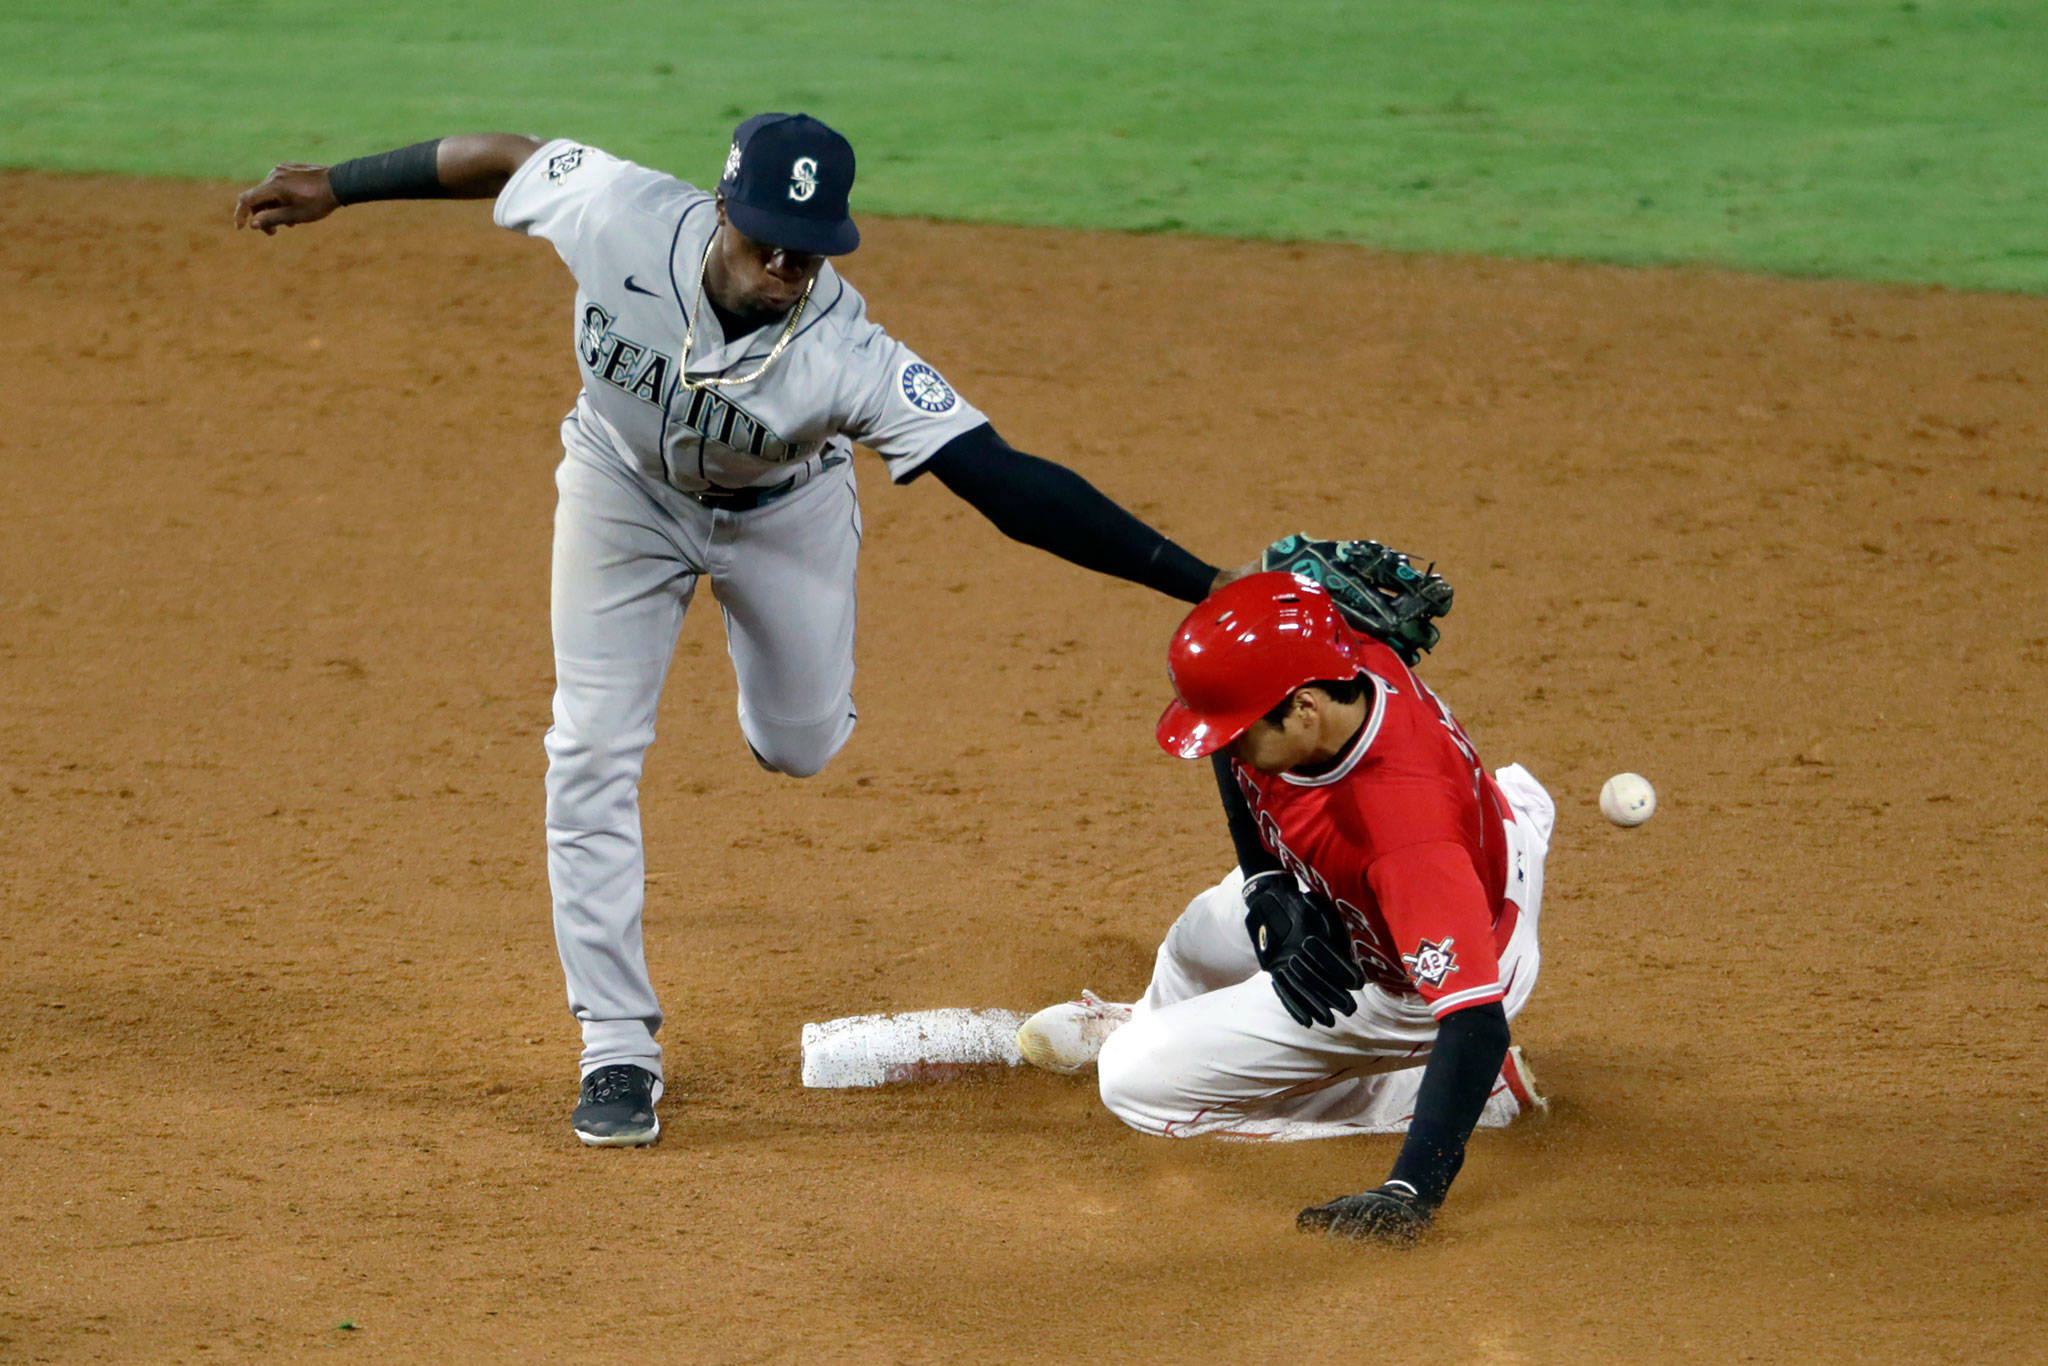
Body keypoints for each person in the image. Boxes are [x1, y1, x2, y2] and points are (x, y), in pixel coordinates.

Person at [234, 114, 1248, 1147]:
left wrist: (1202, 581)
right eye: (764, 236)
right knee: (586, 748)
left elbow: (1006, 483)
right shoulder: (618, 212)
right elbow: (500, 155)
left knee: (796, 744)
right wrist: (340, 186)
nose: (783, 263)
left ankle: (792, 667)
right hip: (618, 494)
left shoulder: (848, 352)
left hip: (783, 522)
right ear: (720, 207)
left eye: (806, 248)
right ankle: (616, 1045)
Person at [1016, 571, 1555, 1244]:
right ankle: (1155, 1017)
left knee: (1132, 1084)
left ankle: (1450, 1098)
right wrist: (1265, 880)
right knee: (1200, 938)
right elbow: (1235, 695)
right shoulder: (1327, 651)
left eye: (1238, 734)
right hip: (1448, 858)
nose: (1223, 747)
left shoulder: (1404, 835)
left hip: (1419, 982)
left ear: (1304, 710)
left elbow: (1476, 1022)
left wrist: (1412, 1190)